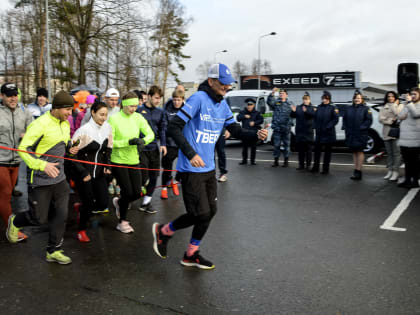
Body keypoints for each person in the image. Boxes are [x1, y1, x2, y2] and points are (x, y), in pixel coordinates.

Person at [151, 63, 268, 270]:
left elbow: (236, 130)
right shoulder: (198, 99)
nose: (227, 87)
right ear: (212, 81)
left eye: (228, 84)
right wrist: (191, 153)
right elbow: (174, 127)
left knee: (210, 211)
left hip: (208, 169)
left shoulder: (222, 104)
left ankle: (190, 254)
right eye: (223, 83)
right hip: (190, 169)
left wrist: (255, 136)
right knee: (200, 213)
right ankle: (165, 231)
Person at [7, 90, 78, 265]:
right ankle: (15, 221)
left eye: (71, 109)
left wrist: (71, 149)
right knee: (39, 218)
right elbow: (24, 149)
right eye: (67, 110)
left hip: (59, 178)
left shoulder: (65, 123)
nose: (70, 113)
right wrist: (42, 165)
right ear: (56, 108)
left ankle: (53, 250)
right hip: (39, 178)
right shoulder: (40, 124)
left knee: (61, 215)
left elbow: (63, 143)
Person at [66, 101, 112, 242]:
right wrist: (82, 172)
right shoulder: (83, 131)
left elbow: (108, 149)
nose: (104, 118)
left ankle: (80, 208)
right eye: (101, 114)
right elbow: (71, 154)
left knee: (103, 203)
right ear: (92, 112)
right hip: (84, 174)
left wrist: (107, 165)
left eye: (106, 115)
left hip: (98, 173)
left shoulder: (108, 128)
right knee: (89, 204)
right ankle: (81, 230)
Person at [108, 92, 154, 233]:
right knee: (127, 191)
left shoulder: (138, 117)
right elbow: (110, 142)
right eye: (131, 106)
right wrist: (128, 142)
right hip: (118, 160)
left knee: (137, 192)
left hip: (134, 160)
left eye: (136, 106)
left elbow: (151, 134)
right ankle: (122, 222)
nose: (134, 109)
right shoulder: (114, 119)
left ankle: (119, 202)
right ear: (124, 105)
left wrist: (142, 141)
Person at [0, 83, 33, 242]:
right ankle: (11, 229)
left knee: (7, 193)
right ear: (2, 96)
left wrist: (27, 135)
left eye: (15, 94)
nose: (13, 98)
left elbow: (33, 130)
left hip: (17, 159)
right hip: (1, 160)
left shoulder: (24, 112)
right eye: (9, 95)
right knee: (5, 193)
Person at [136, 86, 167, 214]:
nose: (157, 101)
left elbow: (162, 129)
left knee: (154, 176)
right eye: (156, 98)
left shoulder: (160, 112)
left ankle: (146, 202)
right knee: (143, 177)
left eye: (159, 99)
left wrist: (163, 144)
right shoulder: (138, 110)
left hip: (154, 148)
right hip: (141, 149)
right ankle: (128, 197)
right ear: (149, 96)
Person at [342, 91, 373, 180]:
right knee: (354, 152)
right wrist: (346, 128)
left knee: (359, 151)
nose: (357, 100)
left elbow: (369, 120)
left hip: (360, 134)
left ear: (362, 99)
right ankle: (355, 170)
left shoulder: (366, 109)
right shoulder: (349, 108)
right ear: (353, 99)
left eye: (359, 98)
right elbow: (345, 119)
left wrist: (361, 127)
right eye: (356, 98)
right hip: (351, 134)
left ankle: (359, 171)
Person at [161, 89, 184, 199]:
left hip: (182, 143)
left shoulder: (187, 110)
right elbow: (164, 128)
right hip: (170, 144)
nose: (176, 102)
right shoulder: (167, 110)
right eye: (174, 100)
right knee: (167, 167)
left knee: (183, 166)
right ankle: (164, 188)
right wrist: (163, 144)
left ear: (182, 100)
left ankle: (175, 181)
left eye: (178, 100)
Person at [397, 88, 420, 189]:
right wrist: (407, 105)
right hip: (404, 138)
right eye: (411, 94)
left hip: (415, 139)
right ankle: (407, 180)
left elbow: (416, 114)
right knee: (406, 161)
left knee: (414, 162)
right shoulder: (408, 104)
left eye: (415, 94)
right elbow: (400, 116)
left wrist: (409, 103)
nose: (413, 96)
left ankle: (414, 181)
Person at [311, 91, 339, 174]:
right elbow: (315, 118)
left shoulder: (333, 107)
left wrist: (328, 127)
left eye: (326, 99)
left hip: (328, 133)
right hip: (319, 133)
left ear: (329, 99)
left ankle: (325, 169)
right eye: (323, 98)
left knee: (327, 153)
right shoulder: (319, 107)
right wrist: (315, 126)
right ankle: (316, 167)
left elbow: (335, 119)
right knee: (317, 152)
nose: (324, 100)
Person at [379, 91, 404, 181]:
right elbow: (380, 119)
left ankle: (395, 171)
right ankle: (390, 170)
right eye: (389, 96)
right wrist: (390, 120)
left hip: (396, 132)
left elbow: (398, 115)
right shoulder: (383, 107)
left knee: (396, 153)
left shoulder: (400, 106)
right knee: (389, 154)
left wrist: (393, 105)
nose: (390, 98)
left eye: (392, 96)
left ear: (395, 97)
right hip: (386, 132)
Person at [267, 88, 294, 167]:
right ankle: (276, 161)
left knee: (286, 145)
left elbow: (294, 114)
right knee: (276, 145)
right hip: (277, 128)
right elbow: (269, 102)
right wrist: (272, 93)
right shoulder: (276, 102)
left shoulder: (290, 103)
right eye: (280, 93)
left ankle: (286, 161)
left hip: (286, 128)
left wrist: (290, 123)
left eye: (283, 93)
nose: (281, 94)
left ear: (286, 95)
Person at [290, 92, 315, 170]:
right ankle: (301, 165)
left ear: (309, 100)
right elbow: (293, 116)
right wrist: (293, 111)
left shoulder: (312, 107)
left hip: (308, 132)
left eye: (306, 99)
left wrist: (306, 111)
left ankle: (308, 165)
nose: (305, 101)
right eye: (304, 99)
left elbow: (312, 115)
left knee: (308, 150)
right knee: (301, 150)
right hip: (300, 132)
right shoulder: (299, 107)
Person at [237, 98, 263, 165]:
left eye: (250, 105)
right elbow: (238, 118)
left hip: (253, 132)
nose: (249, 106)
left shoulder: (257, 113)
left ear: (253, 105)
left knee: (253, 147)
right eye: (248, 105)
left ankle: (252, 161)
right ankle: (244, 160)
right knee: (244, 148)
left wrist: (255, 123)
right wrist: (244, 116)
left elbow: (261, 120)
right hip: (245, 132)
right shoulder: (243, 112)